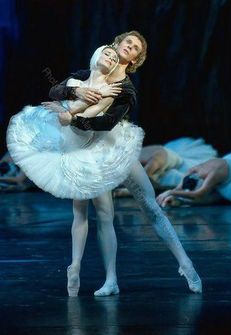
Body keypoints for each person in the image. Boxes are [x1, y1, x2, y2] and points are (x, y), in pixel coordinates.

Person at [50, 30, 202, 295]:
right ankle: (111, 280)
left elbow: (107, 123)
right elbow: (55, 89)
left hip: (114, 145)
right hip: (90, 150)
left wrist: (73, 119)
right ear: (116, 44)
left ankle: (186, 264)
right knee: (105, 216)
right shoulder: (90, 71)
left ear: (134, 60)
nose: (129, 47)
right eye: (127, 43)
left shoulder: (127, 89)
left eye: (134, 49)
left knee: (149, 204)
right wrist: (77, 90)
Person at [6, 45, 145, 297]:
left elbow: (92, 118)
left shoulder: (112, 89)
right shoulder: (76, 80)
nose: (111, 57)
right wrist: (80, 96)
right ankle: (75, 266)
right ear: (96, 56)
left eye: (114, 57)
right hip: (73, 150)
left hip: (91, 146)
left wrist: (73, 109)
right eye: (107, 53)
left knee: (102, 213)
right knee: (79, 212)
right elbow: (56, 91)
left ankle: (105, 276)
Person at [157, 152, 231, 207]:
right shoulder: (193, 170)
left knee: (208, 197)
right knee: (208, 195)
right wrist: (170, 193)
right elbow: (179, 188)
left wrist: (170, 192)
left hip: (228, 172)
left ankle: (182, 201)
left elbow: (199, 193)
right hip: (225, 166)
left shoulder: (212, 175)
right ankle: (178, 201)